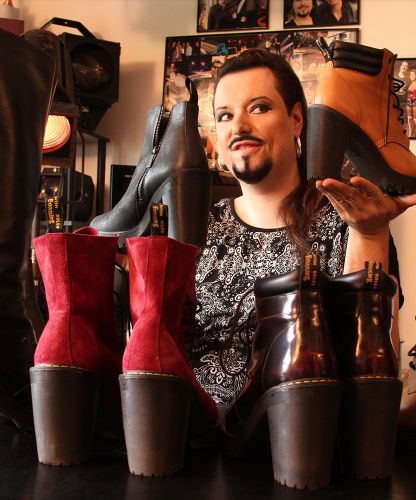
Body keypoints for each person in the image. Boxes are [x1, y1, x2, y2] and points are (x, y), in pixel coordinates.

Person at [190, 48, 416, 406]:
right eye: (225, 115)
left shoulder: (348, 220)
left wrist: (369, 234)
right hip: (193, 430)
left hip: (303, 431)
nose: (239, 126)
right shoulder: (195, 229)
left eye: (259, 108)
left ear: (296, 118)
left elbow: (371, 368)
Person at [406, 68, 416, 137]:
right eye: (410, 75)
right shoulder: (410, 83)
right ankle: (410, 133)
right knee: (409, 118)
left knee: (415, 118)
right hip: (409, 102)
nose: (411, 76)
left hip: (415, 102)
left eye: (413, 75)